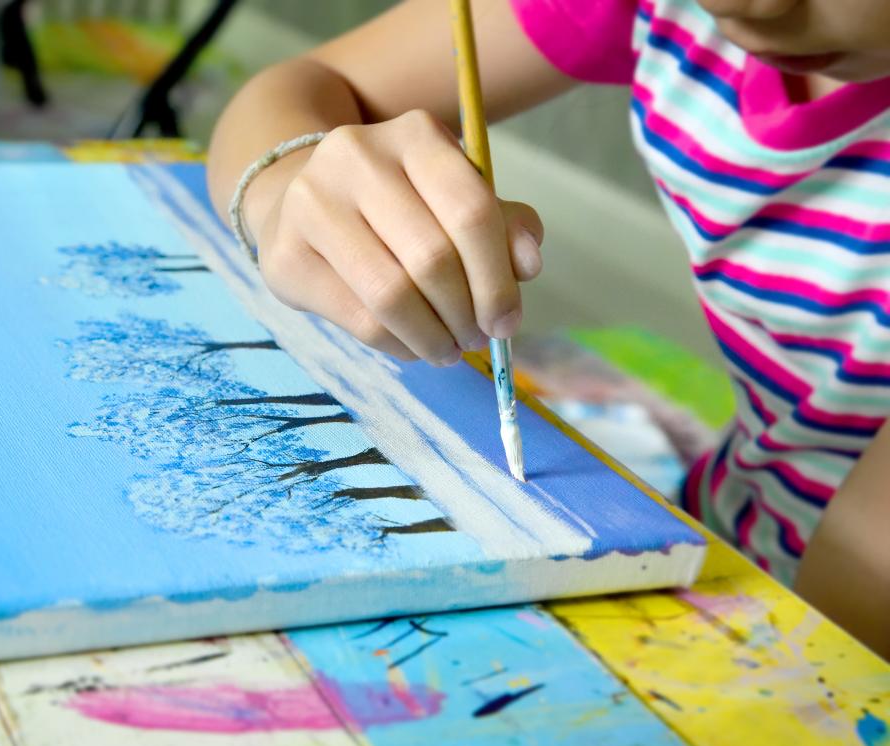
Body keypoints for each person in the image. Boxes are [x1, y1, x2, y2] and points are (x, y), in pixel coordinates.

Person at [206, 0, 890, 657]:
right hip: (731, 528)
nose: (744, 5)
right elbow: (305, 86)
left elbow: (854, 609)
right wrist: (287, 187)